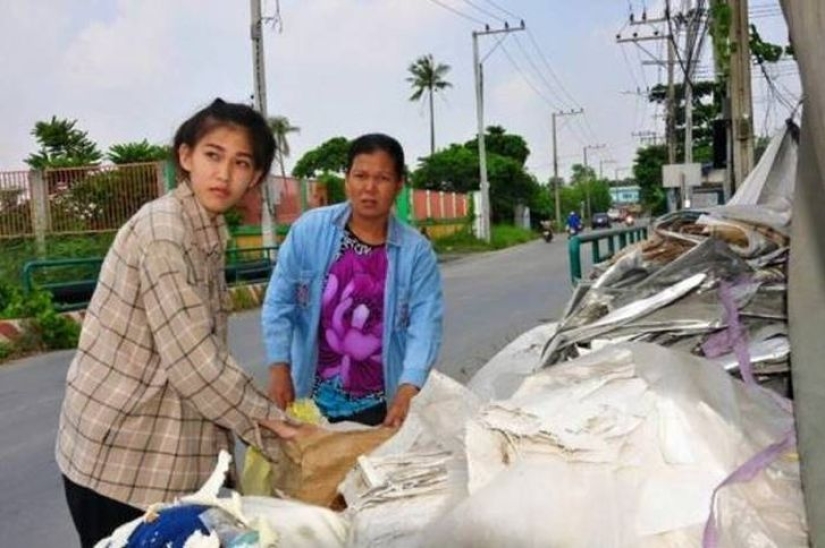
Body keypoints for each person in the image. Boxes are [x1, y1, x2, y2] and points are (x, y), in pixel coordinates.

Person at [55, 99, 302, 548]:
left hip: (164, 456)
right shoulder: (165, 232)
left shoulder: (204, 231)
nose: (224, 174)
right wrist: (280, 427)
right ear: (186, 157)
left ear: (256, 178)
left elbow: (202, 357)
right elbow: (196, 363)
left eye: (240, 163)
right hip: (122, 464)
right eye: (213, 155)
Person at [262, 133, 444, 428]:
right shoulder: (309, 231)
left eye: (382, 178)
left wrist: (409, 388)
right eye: (360, 175)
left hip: (383, 406)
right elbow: (279, 303)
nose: (369, 188)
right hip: (310, 399)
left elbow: (425, 324)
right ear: (347, 179)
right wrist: (279, 367)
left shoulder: (416, 253)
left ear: (398, 185)